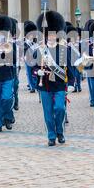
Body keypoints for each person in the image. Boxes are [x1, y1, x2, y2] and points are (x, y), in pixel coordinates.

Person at [32, 10, 74, 147]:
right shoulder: (39, 50)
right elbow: (33, 67)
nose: (51, 36)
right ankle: (51, 135)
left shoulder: (63, 49)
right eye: (48, 34)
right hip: (45, 84)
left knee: (60, 109)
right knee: (48, 112)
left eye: (53, 33)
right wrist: (38, 72)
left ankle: (60, 132)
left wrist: (72, 83)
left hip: (60, 84)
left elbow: (70, 67)